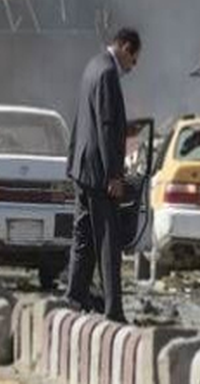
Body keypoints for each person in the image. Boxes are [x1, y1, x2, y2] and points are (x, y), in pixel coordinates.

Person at [63, 27, 141, 323]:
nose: (131, 67)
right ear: (125, 47)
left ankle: (74, 297)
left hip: (82, 167)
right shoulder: (108, 73)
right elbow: (106, 126)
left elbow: (86, 119)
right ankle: (113, 309)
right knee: (108, 242)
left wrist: (73, 159)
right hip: (98, 173)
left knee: (83, 236)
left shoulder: (93, 66)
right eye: (133, 60)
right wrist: (114, 175)